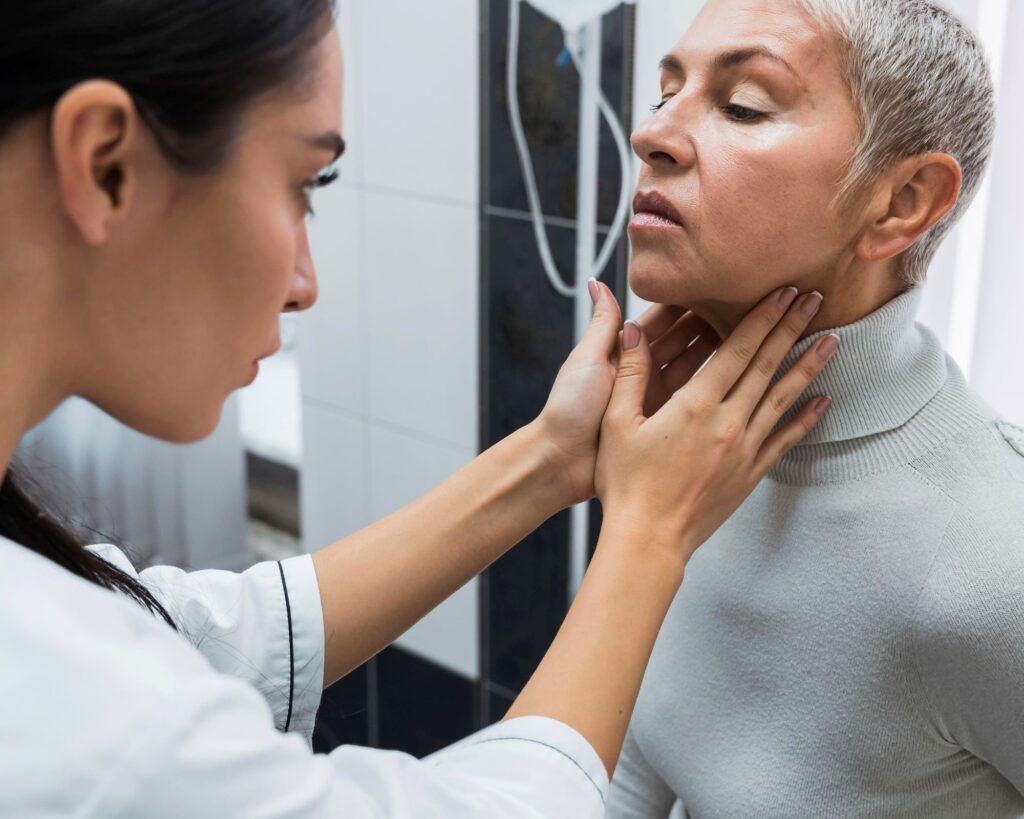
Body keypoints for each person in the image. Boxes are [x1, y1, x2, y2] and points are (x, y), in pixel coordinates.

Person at [0, 2, 838, 816]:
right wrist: (649, 533)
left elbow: (204, 634)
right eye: (305, 184)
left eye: (742, 106)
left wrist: (551, 457)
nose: (306, 285)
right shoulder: (91, 719)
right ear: (105, 163)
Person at [607, 0, 1024, 817]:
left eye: (742, 106)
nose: (650, 135)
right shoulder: (681, 454)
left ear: (902, 200)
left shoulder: (995, 566)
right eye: (666, 94)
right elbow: (631, 772)